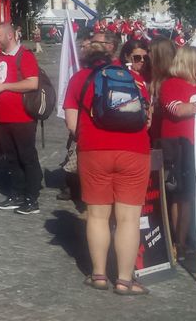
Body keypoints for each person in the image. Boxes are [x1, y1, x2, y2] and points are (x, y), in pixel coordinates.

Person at [63, 34, 152, 296]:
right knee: (129, 219)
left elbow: (71, 123)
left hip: (95, 150)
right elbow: (146, 119)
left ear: (86, 59)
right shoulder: (136, 79)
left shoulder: (79, 78)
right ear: (114, 57)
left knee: (98, 216)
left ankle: (99, 275)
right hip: (135, 151)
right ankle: (125, 280)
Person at [157, 46, 196, 261]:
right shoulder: (171, 84)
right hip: (178, 146)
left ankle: (193, 238)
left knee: (195, 194)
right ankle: (179, 241)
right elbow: (177, 109)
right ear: (189, 62)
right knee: (181, 195)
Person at [0, 23, 44, 215]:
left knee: (27, 157)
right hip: (3, 116)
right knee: (11, 158)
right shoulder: (0, 58)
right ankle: (17, 194)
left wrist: (4, 87)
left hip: (22, 117)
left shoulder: (25, 56)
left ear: (10, 36)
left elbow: (32, 83)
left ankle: (31, 198)